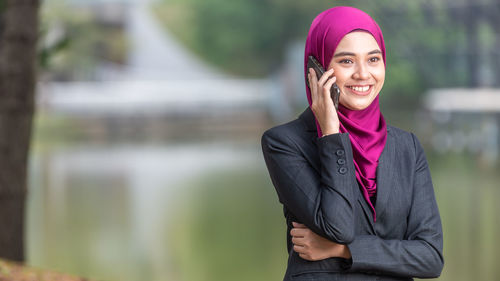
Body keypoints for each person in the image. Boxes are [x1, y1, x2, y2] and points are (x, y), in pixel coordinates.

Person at [261, 6, 444, 281]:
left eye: (373, 59)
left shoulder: (407, 147)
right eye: (347, 61)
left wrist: (345, 251)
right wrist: (331, 133)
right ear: (317, 68)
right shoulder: (285, 143)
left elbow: (430, 257)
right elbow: (339, 227)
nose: (363, 74)